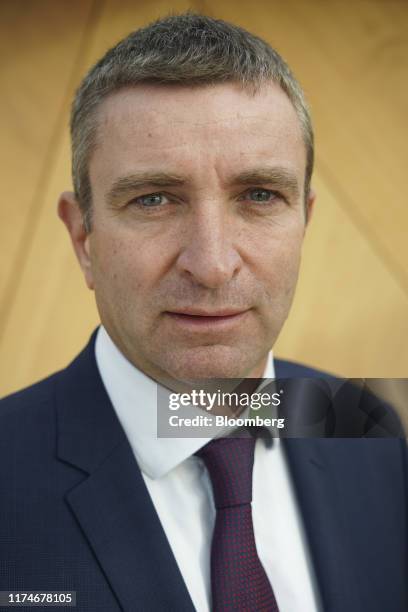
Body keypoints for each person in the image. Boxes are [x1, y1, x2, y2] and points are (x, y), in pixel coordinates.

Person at [0, 13, 407, 612]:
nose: (212, 265)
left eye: (259, 195)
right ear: (84, 237)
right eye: (154, 199)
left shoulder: (365, 423)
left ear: (304, 222)